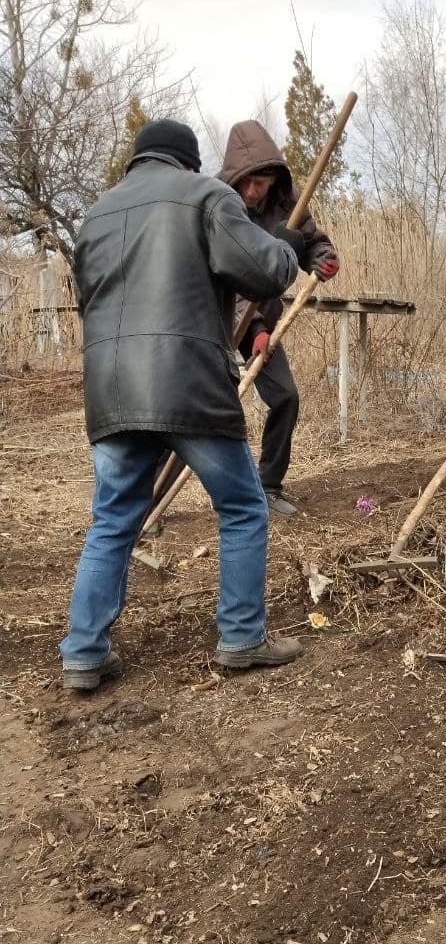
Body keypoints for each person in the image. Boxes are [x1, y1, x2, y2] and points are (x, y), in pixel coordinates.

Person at [62, 119, 305, 690]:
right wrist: (287, 248)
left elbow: (89, 301)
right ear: (188, 163)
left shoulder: (93, 216)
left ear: (136, 161)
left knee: (114, 519)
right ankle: (242, 638)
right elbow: (265, 269)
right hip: (188, 384)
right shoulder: (205, 196)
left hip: (112, 390)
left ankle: (83, 653)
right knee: (243, 507)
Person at [217, 120, 340, 516]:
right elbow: (225, 277)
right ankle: (151, 502)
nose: (255, 191)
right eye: (249, 182)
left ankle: (268, 486)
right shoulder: (218, 204)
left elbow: (309, 241)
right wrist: (251, 329)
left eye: (263, 182)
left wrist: (322, 259)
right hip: (214, 322)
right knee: (201, 412)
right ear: (236, 177)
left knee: (285, 397)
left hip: (263, 323)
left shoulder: (287, 204)